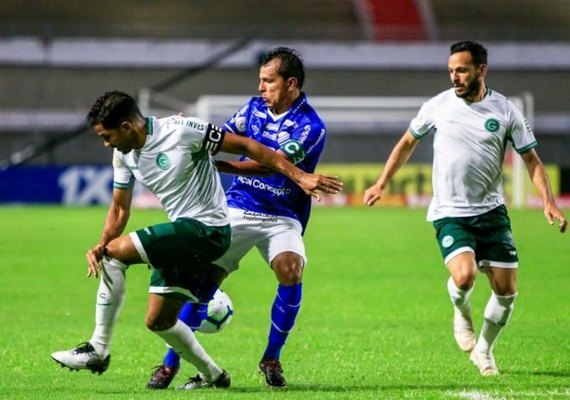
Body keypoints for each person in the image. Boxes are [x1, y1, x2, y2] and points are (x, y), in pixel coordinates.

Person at [50, 90, 342, 389]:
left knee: (116, 254)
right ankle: (214, 374)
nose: (105, 143)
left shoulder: (182, 131)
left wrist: (299, 175)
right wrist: (102, 241)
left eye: (107, 135)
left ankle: (98, 348)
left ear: (126, 127)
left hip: (210, 229)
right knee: (159, 321)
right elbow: (119, 208)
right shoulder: (122, 155)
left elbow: (246, 145)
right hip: (184, 235)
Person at [363, 41, 567, 376]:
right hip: (450, 212)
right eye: (451, 71)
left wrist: (548, 202)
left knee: (506, 290)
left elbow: (531, 159)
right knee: (465, 275)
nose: (454, 77)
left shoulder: (505, 111)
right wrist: (382, 182)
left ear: (481, 71)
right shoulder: (438, 106)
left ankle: (484, 350)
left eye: (461, 70)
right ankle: (461, 309)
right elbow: (406, 143)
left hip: (491, 212)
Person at [146, 47, 326, 389]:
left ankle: (271, 357)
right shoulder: (253, 109)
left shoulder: (311, 126)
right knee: (202, 286)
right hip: (238, 208)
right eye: (260, 80)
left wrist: (224, 165)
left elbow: (271, 162)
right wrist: (185, 132)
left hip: (282, 215)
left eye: (268, 81)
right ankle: (169, 365)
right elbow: (222, 139)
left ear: (291, 84)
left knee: (291, 270)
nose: (261, 88)